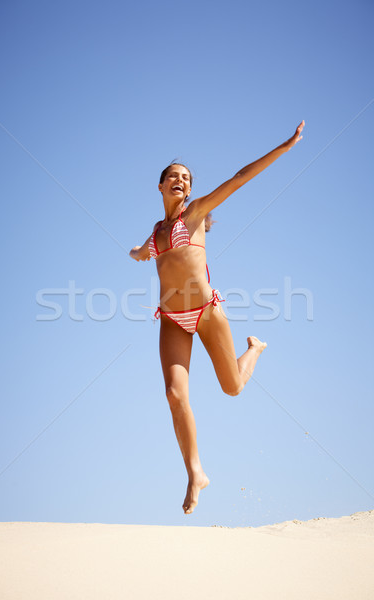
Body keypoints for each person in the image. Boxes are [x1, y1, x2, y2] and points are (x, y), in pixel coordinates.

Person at [130, 121, 305, 515]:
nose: (180, 179)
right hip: (173, 319)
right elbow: (144, 252)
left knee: (232, 388)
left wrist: (285, 146)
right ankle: (196, 473)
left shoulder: (194, 214)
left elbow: (240, 178)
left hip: (207, 313)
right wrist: (136, 253)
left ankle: (255, 348)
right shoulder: (156, 232)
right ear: (160, 187)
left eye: (186, 177)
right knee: (175, 395)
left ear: (190, 189)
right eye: (172, 176)